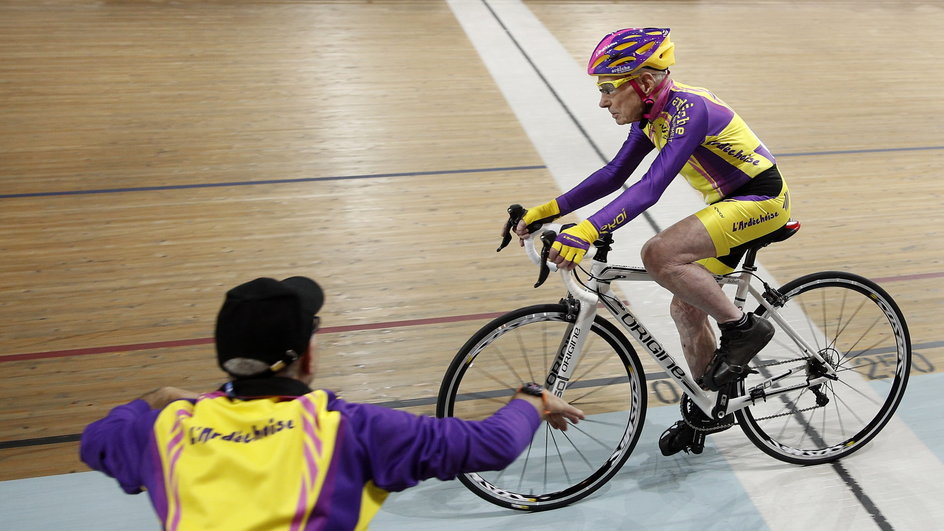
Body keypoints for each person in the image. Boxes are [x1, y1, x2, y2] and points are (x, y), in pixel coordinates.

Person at [80, 276, 584, 530]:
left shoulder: (162, 430)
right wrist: (531, 399)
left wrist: (159, 399)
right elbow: (491, 445)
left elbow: (95, 440)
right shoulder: (345, 429)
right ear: (308, 355)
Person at [512, 28, 791, 456]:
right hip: (729, 205)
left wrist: (587, 231)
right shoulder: (653, 115)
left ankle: (744, 329)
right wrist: (547, 211)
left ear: (641, 83)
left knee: (659, 253)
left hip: (760, 200)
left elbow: (651, 187)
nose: (602, 101)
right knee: (684, 306)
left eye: (608, 88)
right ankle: (707, 408)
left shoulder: (688, 109)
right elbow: (614, 176)